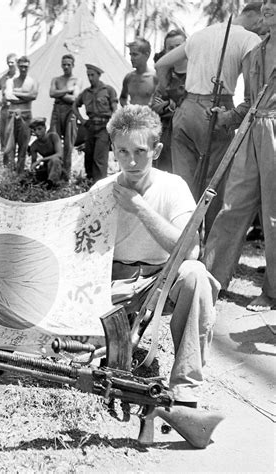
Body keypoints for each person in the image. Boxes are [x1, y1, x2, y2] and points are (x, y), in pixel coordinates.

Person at [98, 104, 219, 406]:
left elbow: (190, 250)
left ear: (157, 148)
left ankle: (185, 386)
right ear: (113, 149)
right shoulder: (102, 189)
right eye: (123, 151)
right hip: (115, 281)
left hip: (161, 281)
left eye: (140, 151)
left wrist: (140, 207)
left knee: (196, 276)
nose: (132, 161)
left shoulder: (173, 187)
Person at [155, 4, 262, 233]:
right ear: (257, 16)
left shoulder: (201, 34)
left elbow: (161, 64)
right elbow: (252, 95)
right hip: (215, 110)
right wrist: (231, 117)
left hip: (186, 110)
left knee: (183, 187)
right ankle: (209, 254)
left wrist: (169, 93)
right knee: (214, 185)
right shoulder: (250, 38)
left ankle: (182, 247)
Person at [204, 0, 275, 312]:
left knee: (274, 215)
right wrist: (226, 117)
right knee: (232, 206)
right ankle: (209, 280)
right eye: (268, 3)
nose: (270, 7)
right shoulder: (254, 53)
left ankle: (272, 292)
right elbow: (250, 102)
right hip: (250, 131)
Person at [72, 64, 118, 183]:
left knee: (99, 158)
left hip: (103, 127)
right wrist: (82, 120)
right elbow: (74, 106)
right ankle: (90, 183)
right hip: (90, 127)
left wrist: (111, 125)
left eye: (92, 75)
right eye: (88, 75)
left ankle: (100, 184)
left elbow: (114, 109)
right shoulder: (86, 93)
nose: (90, 78)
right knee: (89, 157)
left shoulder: (108, 90)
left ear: (98, 75)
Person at [151, 29, 187, 173]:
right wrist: (170, 106)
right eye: (170, 48)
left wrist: (167, 105)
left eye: (179, 46)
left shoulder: (197, 75)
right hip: (167, 134)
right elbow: (154, 107)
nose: (175, 51)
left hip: (188, 135)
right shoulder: (163, 78)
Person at [3, 56, 38, 173]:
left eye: (26, 67)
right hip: (12, 114)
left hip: (26, 115)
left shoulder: (32, 81)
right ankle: (9, 175)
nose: (23, 69)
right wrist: (25, 96)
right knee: (9, 147)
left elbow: (33, 96)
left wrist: (16, 93)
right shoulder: (10, 81)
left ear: (29, 66)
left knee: (23, 147)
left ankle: (19, 174)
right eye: (21, 66)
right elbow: (8, 96)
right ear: (18, 66)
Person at [49, 54, 82, 180]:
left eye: (69, 64)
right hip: (57, 110)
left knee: (68, 144)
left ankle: (66, 177)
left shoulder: (77, 80)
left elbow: (75, 98)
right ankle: (53, 176)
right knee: (54, 140)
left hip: (70, 111)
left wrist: (58, 94)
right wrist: (67, 90)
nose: (66, 67)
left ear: (73, 65)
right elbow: (51, 93)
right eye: (64, 64)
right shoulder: (56, 80)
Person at [120, 38, 158, 107]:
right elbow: (123, 98)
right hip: (132, 116)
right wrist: (127, 108)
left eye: (135, 55)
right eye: (130, 55)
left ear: (147, 55)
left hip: (148, 116)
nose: (131, 58)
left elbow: (159, 101)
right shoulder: (129, 78)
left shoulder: (154, 77)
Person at [0, 53, 18, 155]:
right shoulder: (4, 77)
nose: (10, 64)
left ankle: (11, 164)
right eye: (8, 62)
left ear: (16, 62)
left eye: (12, 62)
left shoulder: (19, 77)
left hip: (15, 109)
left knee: (11, 137)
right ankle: (4, 164)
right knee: (3, 136)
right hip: (4, 109)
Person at [29, 117, 63, 188]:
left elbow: (59, 154)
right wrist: (33, 169)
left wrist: (41, 160)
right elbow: (33, 164)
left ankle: (51, 183)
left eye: (39, 129)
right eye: (34, 130)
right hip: (46, 168)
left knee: (55, 160)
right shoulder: (34, 145)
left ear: (45, 128)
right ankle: (44, 183)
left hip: (59, 166)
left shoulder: (53, 136)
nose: (37, 132)